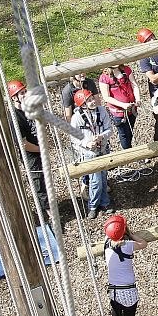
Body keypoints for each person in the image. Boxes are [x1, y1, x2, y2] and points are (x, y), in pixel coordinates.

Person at [103, 215, 152, 316]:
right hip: (128, 291)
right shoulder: (128, 245)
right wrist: (131, 234)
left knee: (115, 304)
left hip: (113, 289)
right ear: (124, 231)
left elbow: (112, 235)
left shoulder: (106, 244)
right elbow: (144, 243)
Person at [7, 80, 49, 222]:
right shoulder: (15, 118)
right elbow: (23, 144)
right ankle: (48, 214)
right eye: (22, 93)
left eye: (25, 92)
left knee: (45, 180)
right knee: (39, 185)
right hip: (31, 156)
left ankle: (49, 207)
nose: (26, 95)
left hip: (39, 149)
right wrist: (41, 149)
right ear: (14, 98)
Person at [70, 88, 114, 218]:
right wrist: (87, 143)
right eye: (89, 101)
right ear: (82, 105)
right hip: (89, 153)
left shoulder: (101, 111)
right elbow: (74, 138)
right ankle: (93, 206)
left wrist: (101, 137)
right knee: (95, 181)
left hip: (103, 149)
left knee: (103, 177)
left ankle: (105, 202)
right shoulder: (77, 118)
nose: (93, 101)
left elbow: (109, 129)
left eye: (92, 99)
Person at [98, 54, 141, 150]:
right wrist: (122, 105)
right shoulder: (104, 78)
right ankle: (128, 152)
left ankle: (130, 149)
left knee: (130, 131)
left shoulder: (126, 70)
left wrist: (137, 99)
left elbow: (134, 85)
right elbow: (106, 97)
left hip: (131, 108)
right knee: (123, 134)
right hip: (118, 112)